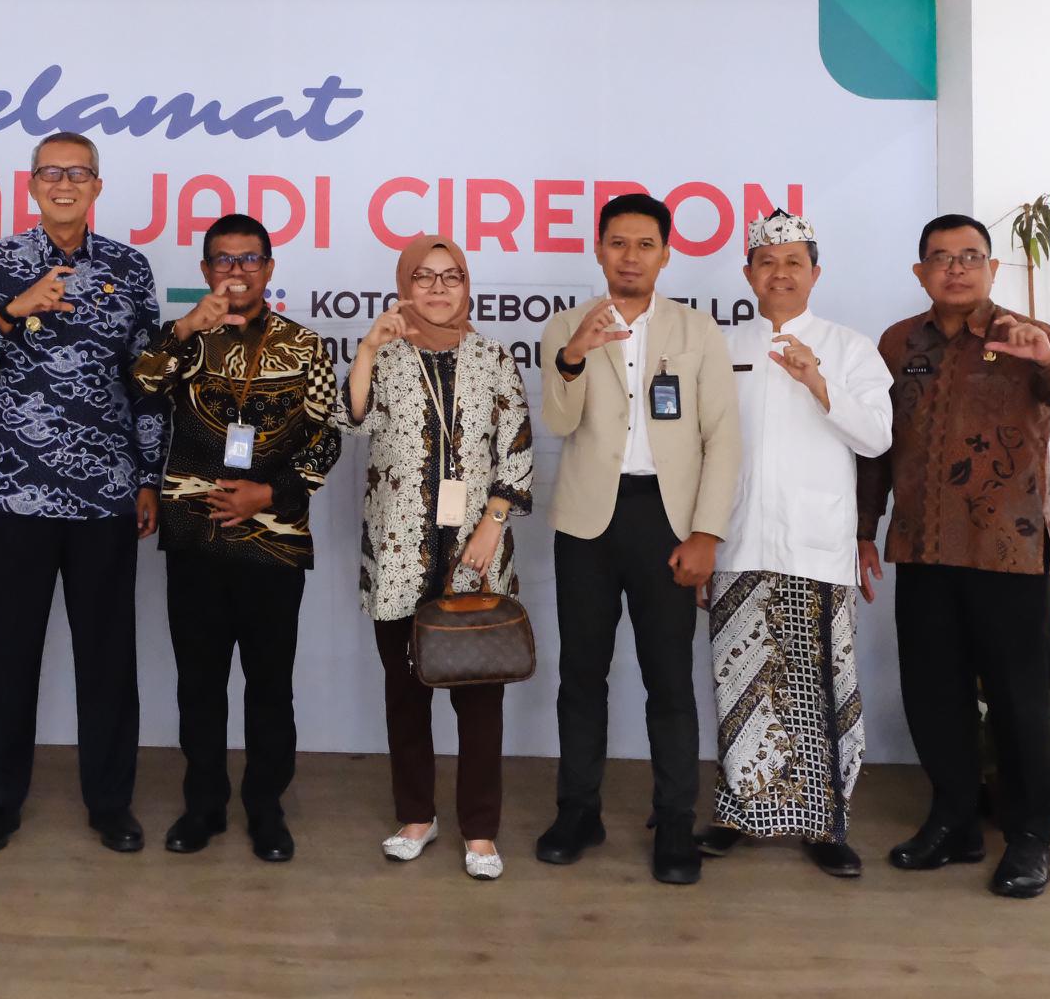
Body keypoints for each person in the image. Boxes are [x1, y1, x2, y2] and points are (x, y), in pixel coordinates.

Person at [860, 212, 1050, 900]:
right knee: (932, 696)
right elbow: (877, 445)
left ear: (992, 269)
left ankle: (1030, 837)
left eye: (970, 256)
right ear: (920, 271)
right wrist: (864, 527)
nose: (956, 269)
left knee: (1017, 702)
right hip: (922, 548)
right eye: (941, 257)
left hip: (1006, 553)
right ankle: (955, 822)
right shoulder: (898, 343)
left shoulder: (1026, 337)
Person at [0, 131, 163, 855]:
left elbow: (148, 381)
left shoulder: (129, 267)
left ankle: (111, 804)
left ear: (97, 186)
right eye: (51, 172)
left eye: (78, 173)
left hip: (105, 495)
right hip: (16, 494)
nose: (64, 183)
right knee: (10, 655)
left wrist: (148, 476)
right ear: (32, 184)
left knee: (108, 659)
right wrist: (14, 309)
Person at [535, 191, 742, 886]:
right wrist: (573, 357)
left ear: (666, 253)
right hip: (587, 523)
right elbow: (559, 423)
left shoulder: (696, 330)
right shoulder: (566, 326)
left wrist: (706, 532)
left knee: (670, 680)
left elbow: (722, 438)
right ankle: (577, 811)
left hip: (667, 522)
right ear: (598, 250)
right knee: (581, 675)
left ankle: (675, 821)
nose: (631, 256)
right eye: (618, 243)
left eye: (645, 244)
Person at [133, 214, 338, 863]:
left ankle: (266, 808)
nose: (237, 271)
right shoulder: (187, 339)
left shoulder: (306, 346)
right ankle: (203, 805)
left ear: (269, 269)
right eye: (223, 260)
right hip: (194, 536)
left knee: (270, 684)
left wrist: (268, 494)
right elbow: (139, 386)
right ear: (205, 270)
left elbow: (326, 438)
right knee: (199, 682)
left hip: (273, 539)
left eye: (250, 259)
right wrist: (183, 329)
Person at [693, 210, 892, 877]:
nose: (780, 273)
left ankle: (825, 824)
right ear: (748, 273)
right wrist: (700, 537)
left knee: (818, 683)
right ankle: (735, 813)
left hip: (816, 543)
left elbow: (877, 438)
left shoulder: (849, 347)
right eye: (767, 262)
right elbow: (697, 447)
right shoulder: (721, 346)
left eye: (793, 263)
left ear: (815, 273)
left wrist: (818, 382)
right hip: (737, 541)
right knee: (739, 683)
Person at [346, 237, 536, 880]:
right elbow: (352, 421)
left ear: (466, 285)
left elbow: (516, 449)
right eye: (423, 277)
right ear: (404, 286)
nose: (437, 288)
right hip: (398, 551)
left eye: (450, 276)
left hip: (476, 556)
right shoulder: (385, 354)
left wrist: (492, 525)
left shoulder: (494, 356)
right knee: (405, 695)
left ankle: (480, 832)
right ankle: (416, 817)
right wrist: (367, 350)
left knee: (479, 701)